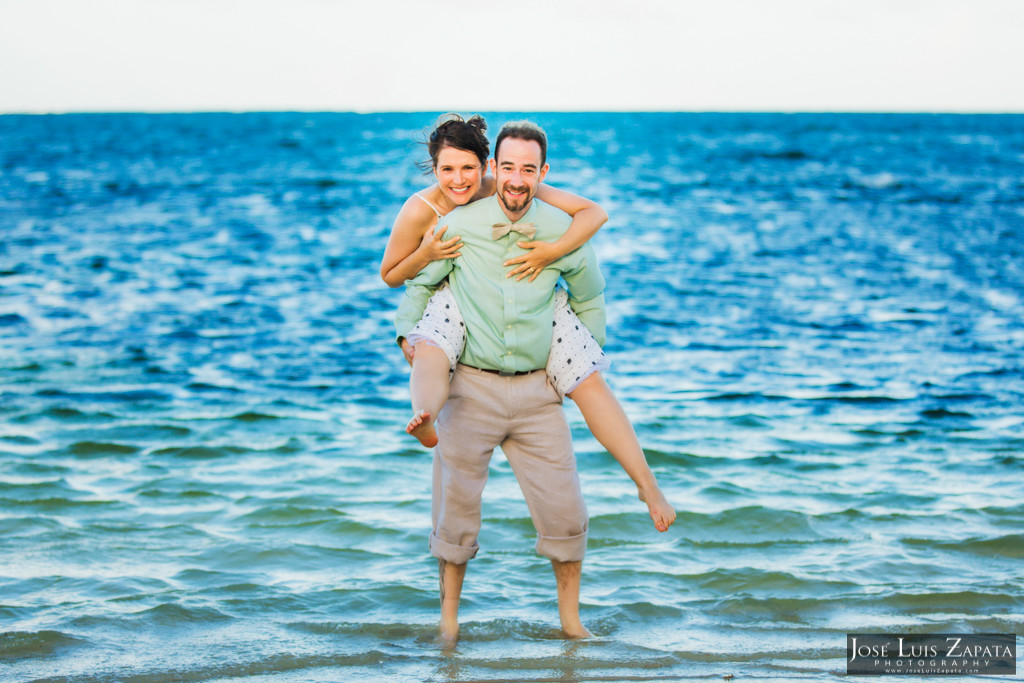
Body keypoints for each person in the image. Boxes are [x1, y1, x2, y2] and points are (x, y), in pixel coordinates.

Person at [393, 121, 673, 646]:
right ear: (493, 171)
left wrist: (585, 347)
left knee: (567, 514)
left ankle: (573, 618)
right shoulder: (459, 224)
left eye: (529, 170)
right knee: (455, 515)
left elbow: (590, 293)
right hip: (470, 387)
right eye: (509, 168)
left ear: (542, 174)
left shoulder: (564, 232)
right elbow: (416, 282)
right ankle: (448, 623)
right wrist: (405, 335)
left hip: (538, 393)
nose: (517, 179)